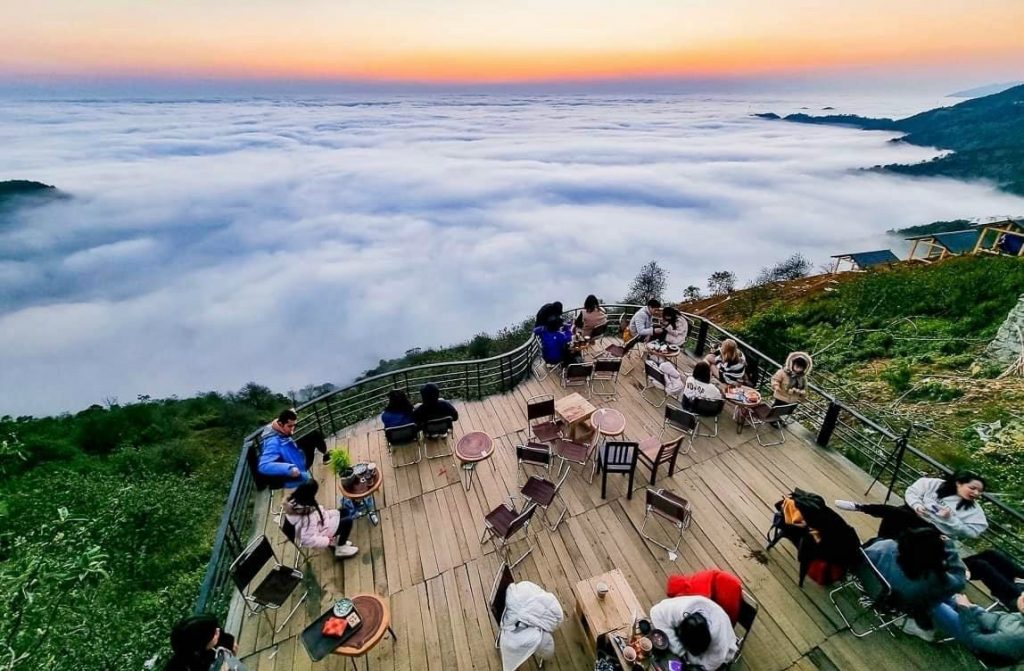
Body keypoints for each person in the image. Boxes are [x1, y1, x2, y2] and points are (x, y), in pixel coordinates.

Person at [864, 527, 967, 638]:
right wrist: (950, 548)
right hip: (899, 606)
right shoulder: (932, 579)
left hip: (870, 586)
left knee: (945, 601)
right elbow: (960, 580)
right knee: (942, 602)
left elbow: (864, 559)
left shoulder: (886, 546)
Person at [836, 471, 988, 542]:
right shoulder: (935, 484)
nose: (976, 493)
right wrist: (917, 505)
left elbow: (973, 533)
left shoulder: (974, 511)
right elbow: (912, 491)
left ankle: (862, 508)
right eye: (972, 488)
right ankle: (879, 542)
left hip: (936, 530)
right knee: (898, 514)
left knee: (897, 514)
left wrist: (950, 520)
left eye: (979, 491)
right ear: (959, 483)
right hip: (915, 514)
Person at [929, 592, 1024, 665]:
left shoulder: (1016, 636)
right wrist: (971, 607)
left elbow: (975, 639)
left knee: (932, 602)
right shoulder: (1021, 616)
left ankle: (923, 628)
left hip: (978, 644)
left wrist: (965, 610)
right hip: (986, 629)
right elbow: (994, 618)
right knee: (946, 591)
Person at [650, 595, 738, 670]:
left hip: (722, 651)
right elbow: (655, 612)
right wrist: (680, 650)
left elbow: (708, 666)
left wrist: (687, 660)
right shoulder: (682, 608)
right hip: (684, 646)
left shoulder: (719, 648)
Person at [283, 480, 358, 558]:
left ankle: (338, 540)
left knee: (345, 511)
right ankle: (341, 548)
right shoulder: (306, 516)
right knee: (348, 522)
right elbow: (308, 540)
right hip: (320, 533)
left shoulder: (297, 501)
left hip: (320, 524)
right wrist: (326, 541)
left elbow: (317, 513)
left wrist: (329, 514)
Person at [164, 613, 247, 671]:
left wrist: (228, 657)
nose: (218, 631)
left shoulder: (210, 632)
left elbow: (228, 640)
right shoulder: (182, 665)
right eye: (214, 633)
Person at [665, 569, 744, 625]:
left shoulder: (694, 594)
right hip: (730, 583)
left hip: (728, 595)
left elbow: (705, 607)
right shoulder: (694, 578)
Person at [257, 408, 311, 488]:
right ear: (281, 424)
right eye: (290, 426)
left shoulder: (279, 429)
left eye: (294, 425)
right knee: (307, 481)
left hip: (295, 465)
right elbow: (263, 465)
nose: (293, 429)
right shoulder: (273, 441)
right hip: (290, 474)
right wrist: (289, 469)